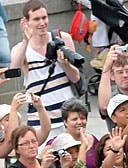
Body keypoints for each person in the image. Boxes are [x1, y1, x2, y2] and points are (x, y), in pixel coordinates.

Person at [10, 0, 81, 130]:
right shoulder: (20, 48)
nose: (42, 23)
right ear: (26, 22)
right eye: (36, 19)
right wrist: (26, 40)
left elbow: (76, 78)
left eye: (44, 17)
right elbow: (14, 70)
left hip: (68, 116)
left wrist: (64, 64)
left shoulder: (62, 38)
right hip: (40, 120)